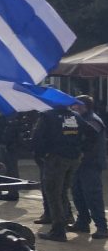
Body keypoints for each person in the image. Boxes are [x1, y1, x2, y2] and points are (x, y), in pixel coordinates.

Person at [32, 101, 84, 241]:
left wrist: (40, 155)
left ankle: (58, 230)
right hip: (73, 158)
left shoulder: (47, 116)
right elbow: (87, 134)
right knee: (63, 191)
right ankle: (66, 218)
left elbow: (37, 138)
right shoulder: (76, 116)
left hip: (56, 159)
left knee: (53, 193)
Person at [68, 95, 108, 239]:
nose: (73, 107)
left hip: (91, 163)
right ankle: (83, 221)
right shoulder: (82, 119)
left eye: (76, 105)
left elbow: (88, 137)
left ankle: (102, 227)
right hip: (80, 163)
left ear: (84, 106)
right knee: (77, 193)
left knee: (93, 195)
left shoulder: (93, 120)